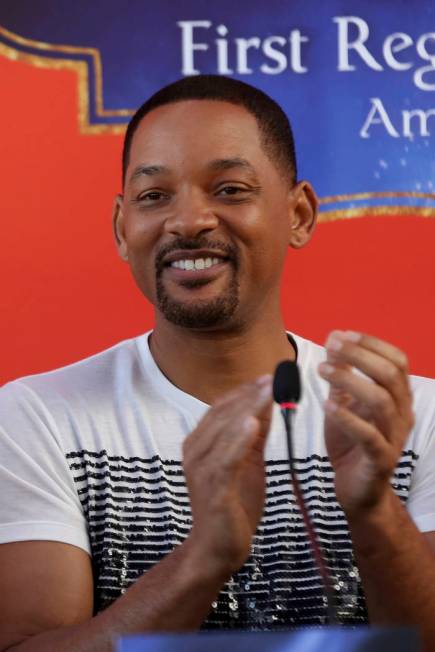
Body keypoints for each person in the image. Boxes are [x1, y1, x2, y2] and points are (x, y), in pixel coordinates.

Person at [1, 75, 435, 652]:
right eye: (154, 196)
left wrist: (375, 512)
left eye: (229, 189)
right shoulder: (39, 419)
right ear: (121, 228)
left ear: (300, 213)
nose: (187, 222)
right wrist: (203, 557)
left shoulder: (412, 417)